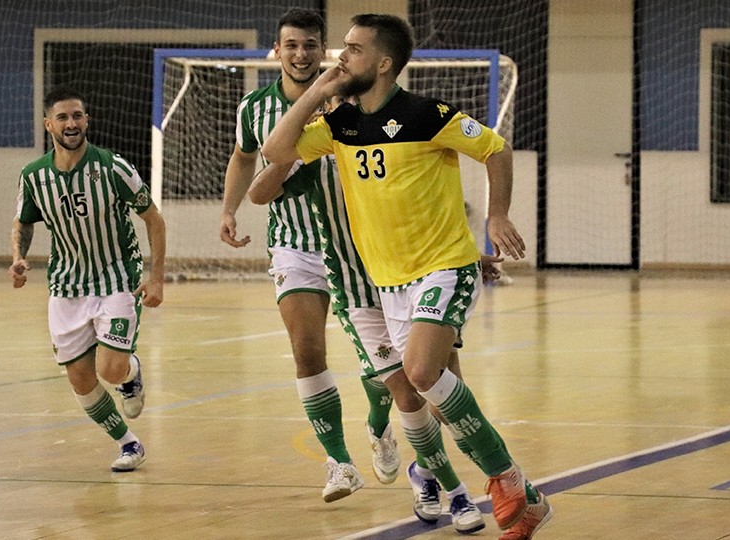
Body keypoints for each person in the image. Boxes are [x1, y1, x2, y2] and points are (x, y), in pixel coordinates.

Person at [262, 13, 552, 540]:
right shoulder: (339, 125)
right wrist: (318, 93)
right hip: (388, 283)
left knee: (419, 374)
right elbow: (276, 152)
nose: (340, 56)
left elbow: (496, 148)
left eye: (352, 49)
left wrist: (497, 215)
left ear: (383, 63)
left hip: (445, 266)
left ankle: (506, 483)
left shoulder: (427, 114)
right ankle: (522, 496)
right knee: (444, 399)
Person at [218, 8, 399, 503]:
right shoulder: (254, 108)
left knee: (384, 366)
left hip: (357, 243)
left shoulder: (354, 99)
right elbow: (243, 157)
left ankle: (379, 423)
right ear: (277, 50)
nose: (300, 54)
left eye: (310, 45)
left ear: (326, 50)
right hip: (294, 245)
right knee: (307, 352)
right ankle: (339, 463)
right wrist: (230, 209)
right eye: (291, 45)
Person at [8, 85, 166, 473]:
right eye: (62, 117)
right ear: (49, 125)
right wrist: (18, 258)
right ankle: (129, 444)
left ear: (87, 121)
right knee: (80, 379)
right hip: (67, 286)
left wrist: (156, 276)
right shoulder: (34, 177)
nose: (71, 123)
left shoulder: (113, 167)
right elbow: (23, 221)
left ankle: (130, 373)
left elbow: (153, 218)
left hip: (116, 278)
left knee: (109, 369)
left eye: (77, 115)